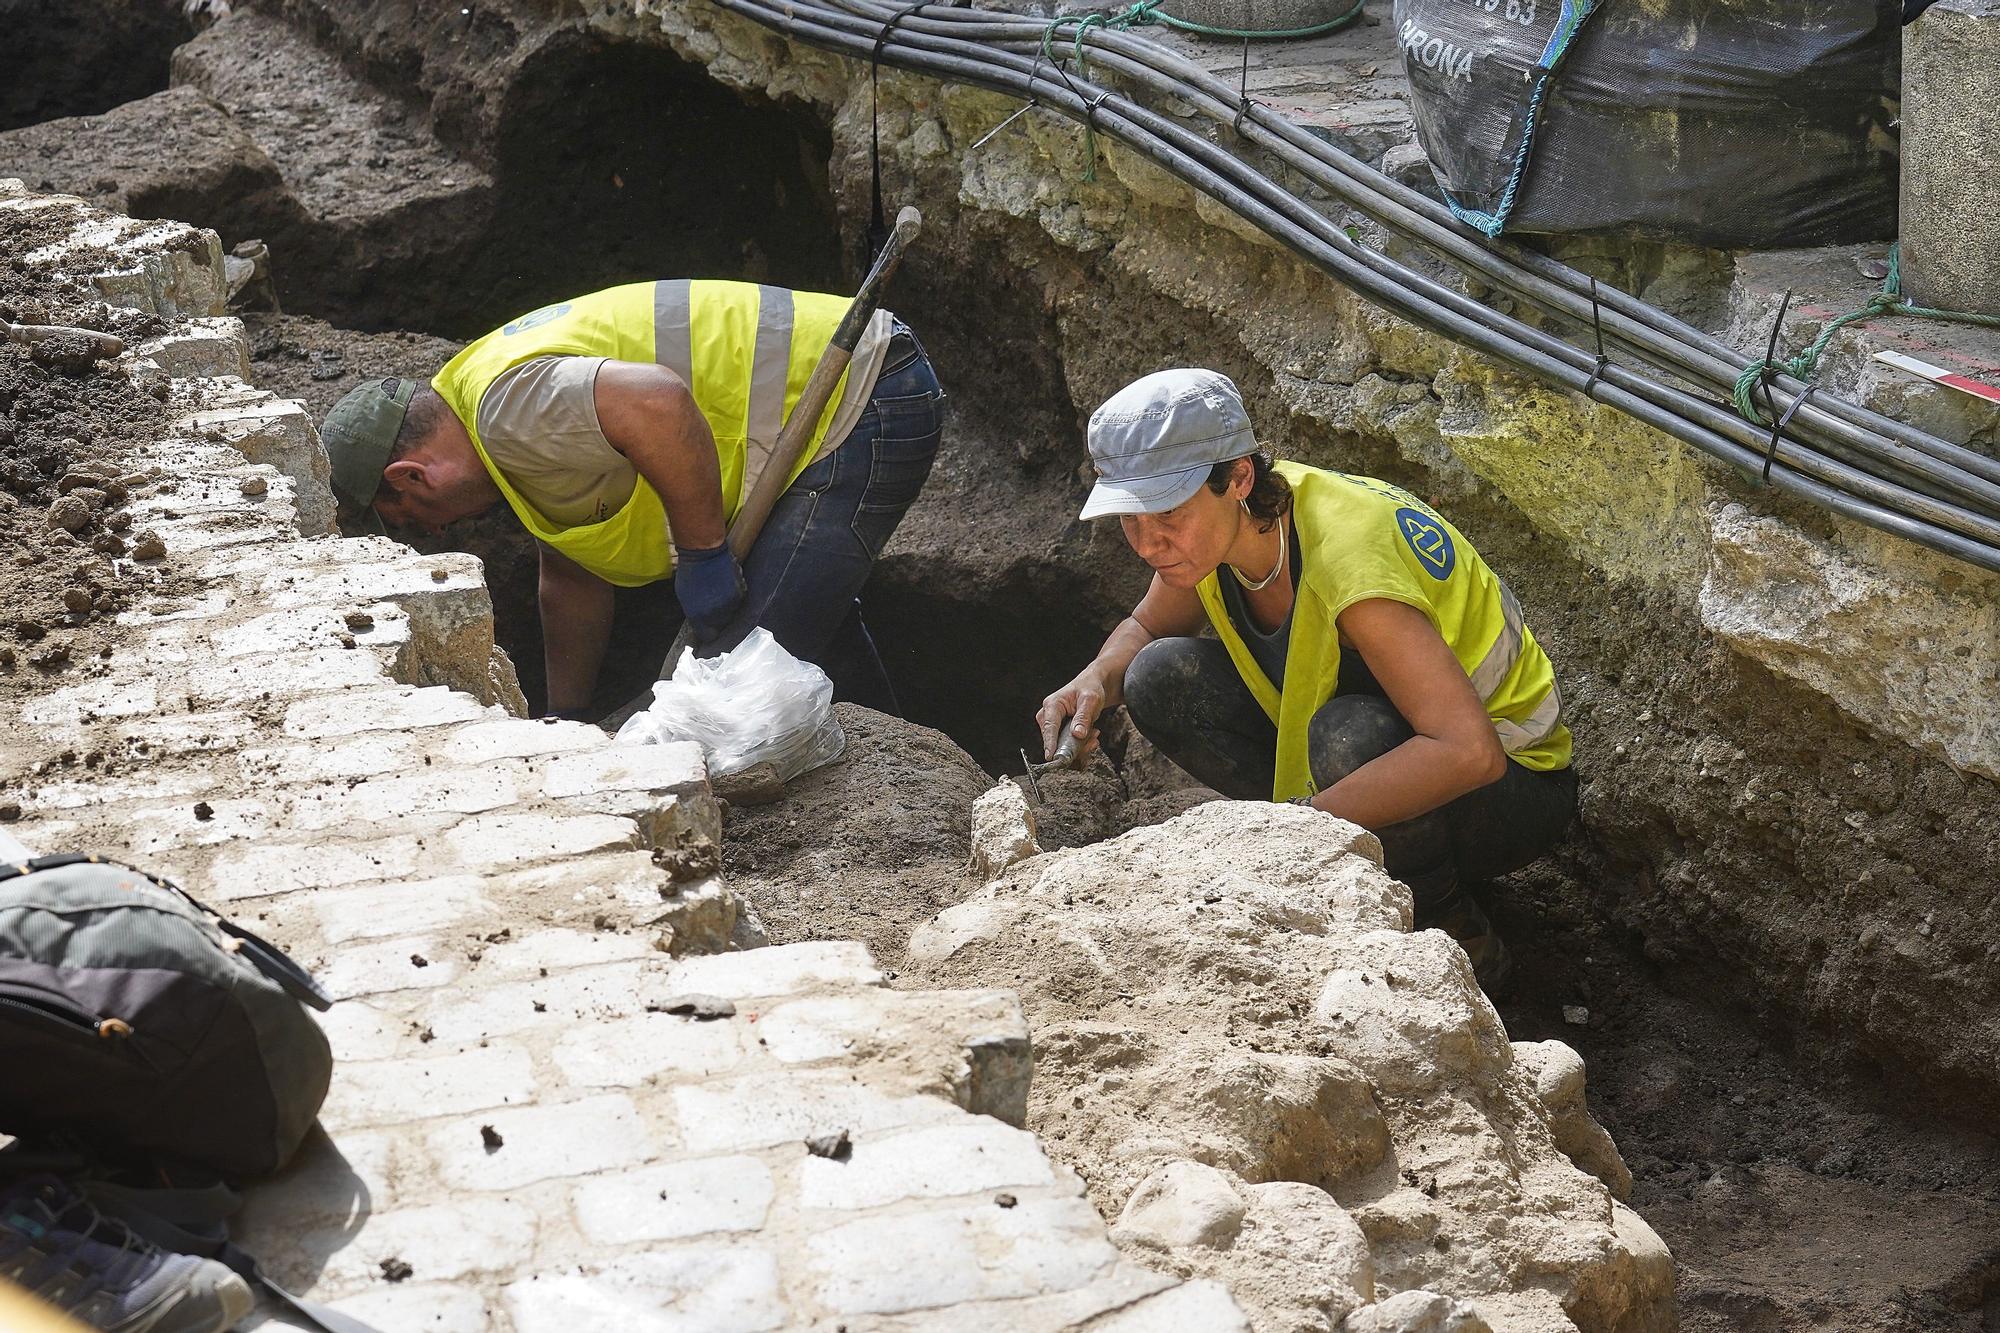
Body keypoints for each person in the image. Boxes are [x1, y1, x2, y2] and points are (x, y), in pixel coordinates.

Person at [1038, 369, 1574, 987]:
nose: (1148, 544)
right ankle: (1333, 862)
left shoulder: (1349, 558)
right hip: (1389, 759)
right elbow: (1146, 627)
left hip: (1512, 794)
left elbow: (1469, 753)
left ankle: (1453, 930)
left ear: (1238, 477)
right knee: (1157, 677)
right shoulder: (1224, 534)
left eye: (1167, 516)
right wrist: (1096, 677)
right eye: (1131, 519)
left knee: (1348, 734)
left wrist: (1293, 831)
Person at [319, 279, 945, 719]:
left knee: (743, 672)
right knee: (786, 624)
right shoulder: (497, 434)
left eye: (403, 520)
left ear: (409, 476)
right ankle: (894, 758)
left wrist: (702, 553)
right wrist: (568, 715)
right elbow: (572, 579)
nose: (426, 534)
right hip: (823, 406)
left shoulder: (505, 412)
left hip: (855, 394)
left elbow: (657, 401)